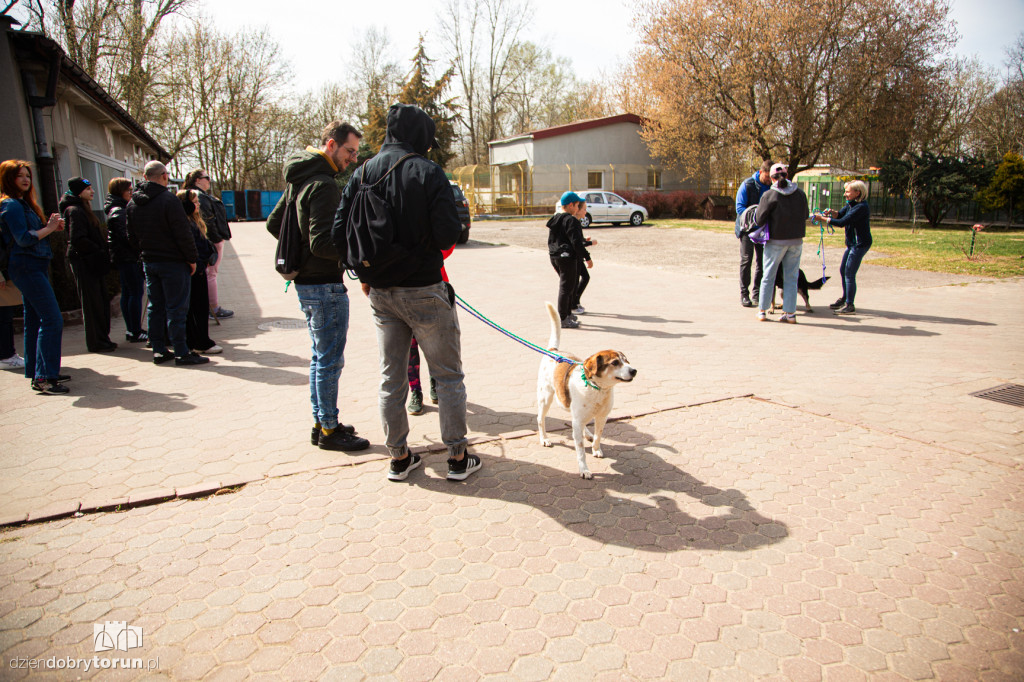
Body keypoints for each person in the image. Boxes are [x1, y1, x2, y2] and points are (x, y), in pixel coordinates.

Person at [333, 103, 480, 482]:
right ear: (420, 136)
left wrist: (369, 265)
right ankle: (458, 458)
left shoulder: (362, 172)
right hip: (425, 289)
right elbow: (449, 232)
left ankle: (398, 457)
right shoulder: (428, 172)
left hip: (380, 292)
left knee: (391, 378)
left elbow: (339, 233)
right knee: (448, 376)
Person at [267, 120, 370, 453]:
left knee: (319, 359)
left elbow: (274, 224)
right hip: (324, 286)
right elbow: (323, 243)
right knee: (329, 361)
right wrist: (356, 254)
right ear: (331, 144)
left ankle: (322, 422)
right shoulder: (323, 185)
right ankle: (328, 430)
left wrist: (300, 253)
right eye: (349, 151)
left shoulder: (298, 179)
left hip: (306, 286)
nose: (353, 159)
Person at [127, 160, 208, 366]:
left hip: (149, 261)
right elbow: (182, 234)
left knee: (155, 307)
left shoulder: (133, 202)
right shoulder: (168, 200)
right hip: (173, 262)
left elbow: (131, 235)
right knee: (177, 308)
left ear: (144, 177)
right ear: (164, 176)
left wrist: (143, 254)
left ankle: (159, 350)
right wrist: (191, 259)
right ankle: (181, 351)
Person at [0, 159, 69, 394]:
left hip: (33, 266)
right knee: (52, 319)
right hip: (26, 267)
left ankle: (39, 372)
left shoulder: (22, 204)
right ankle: (44, 377)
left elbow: (31, 235)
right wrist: (48, 228)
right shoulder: (12, 205)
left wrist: (49, 228)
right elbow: (24, 239)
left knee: (35, 320)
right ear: (9, 178)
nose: (26, 179)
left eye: (27, 175)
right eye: (20, 175)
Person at [61, 177, 116, 353]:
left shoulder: (83, 209)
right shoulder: (75, 210)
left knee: (100, 301)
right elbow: (78, 239)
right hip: (85, 263)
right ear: (79, 192)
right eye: (88, 189)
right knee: (92, 303)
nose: (92, 192)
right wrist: (98, 251)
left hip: (92, 262)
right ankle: (96, 341)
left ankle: (102, 338)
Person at [754, 163, 809, 324]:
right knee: (791, 277)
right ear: (787, 175)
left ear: (772, 178)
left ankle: (762, 311)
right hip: (796, 240)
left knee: (768, 276)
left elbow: (759, 219)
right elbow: (805, 214)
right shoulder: (800, 193)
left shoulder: (770, 195)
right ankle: (790, 313)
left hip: (776, 241)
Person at [408, 245, 454, 415]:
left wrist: (428, 255)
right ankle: (415, 390)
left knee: (435, 345)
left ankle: (435, 382)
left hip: (434, 286)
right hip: (401, 290)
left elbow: (449, 241)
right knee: (409, 347)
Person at [183, 169, 233, 320]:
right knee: (211, 273)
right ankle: (213, 308)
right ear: (198, 180)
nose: (209, 181)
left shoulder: (197, 195)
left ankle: (209, 307)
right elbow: (207, 221)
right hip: (210, 240)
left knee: (209, 273)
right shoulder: (198, 196)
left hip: (207, 239)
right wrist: (217, 239)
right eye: (207, 178)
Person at [177, 190, 221, 355]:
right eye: (195, 202)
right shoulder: (185, 223)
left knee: (199, 306)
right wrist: (198, 263)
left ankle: (198, 339)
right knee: (197, 307)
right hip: (194, 269)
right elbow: (191, 247)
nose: (198, 205)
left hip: (198, 267)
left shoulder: (194, 221)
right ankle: (200, 341)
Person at [818, 180, 871, 315]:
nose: (845, 194)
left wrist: (824, 219)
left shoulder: (861, 207)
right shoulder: (851, 204)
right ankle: (844, 298)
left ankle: (850, 304)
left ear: (857, 193)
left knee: (849, 272)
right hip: (852, 244)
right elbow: (840, 215)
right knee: (843, 270)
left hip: (860, 244)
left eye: (847, 191)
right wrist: (831, 213)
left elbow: (842, 222)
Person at [105, 177, 146, 344]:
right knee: (135, 293)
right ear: (119, 191)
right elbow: (127, 237)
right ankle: (135, 330)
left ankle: (132, 329)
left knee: (129, 293)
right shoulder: (119, 211)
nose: (132, 193)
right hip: (128, 258)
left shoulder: (116, 208)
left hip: (124, 258)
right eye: (129, 190)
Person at [547, 191, 592, 329]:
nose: (578, 208)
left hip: (555, 256)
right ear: (571, 205)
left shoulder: (556, 219)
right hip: (566, 257)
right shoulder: (571, 220)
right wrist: (587, 258)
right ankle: (562, 318)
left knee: (569, 286)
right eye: (577, 205)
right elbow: (576, 243)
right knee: (566, 288)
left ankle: (567, 314)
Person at [735, 160, 773, 308]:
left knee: (762, 262)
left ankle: (757, 293)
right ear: (761, 172)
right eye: (768, 177)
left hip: (764, 230)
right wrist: (755, 219)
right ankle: (744, 294)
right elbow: (740, 208)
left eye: (772, 178)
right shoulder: (747, 184)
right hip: (747, 229)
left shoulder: (772, 187)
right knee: (746, 260)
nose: (769, 180)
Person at [572, 233, 596, 315]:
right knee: (574, 282)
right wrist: (590, 243)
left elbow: (577, 239)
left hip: (578, 256)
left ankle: (576, 300)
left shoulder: (576, 222)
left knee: (585, 277)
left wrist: (584, 239)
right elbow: (575, 243)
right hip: (573, 256)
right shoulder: (572, 221)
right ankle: (572, 306)